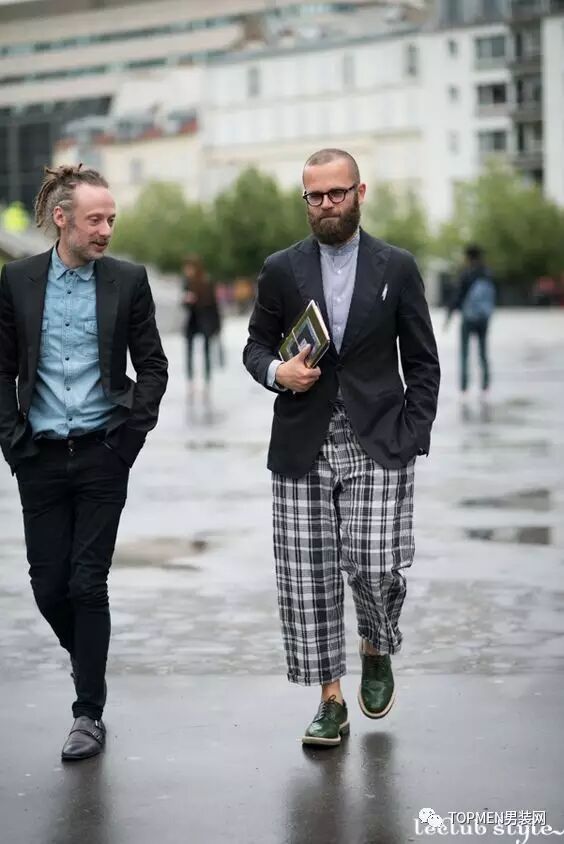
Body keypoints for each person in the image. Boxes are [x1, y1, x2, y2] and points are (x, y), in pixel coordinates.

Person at [243, 148, 440, 747]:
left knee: (375, 564)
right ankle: (330, 699)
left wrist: (414, 433)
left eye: (337, 192)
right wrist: (278, 372)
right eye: (315, 196)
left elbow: (423, 360)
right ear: (305, 199)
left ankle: (376, 645)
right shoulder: (281, 269)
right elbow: (255, 346)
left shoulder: (396, 266)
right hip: (301, 440)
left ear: (360, 192)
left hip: (379, 438)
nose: (326, 204)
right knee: (307, 575)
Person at [0, 165, 168, 761]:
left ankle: (87, 713)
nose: (105, 230)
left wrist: (128, 441)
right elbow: (2, 368)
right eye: (95, 219)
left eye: (111, 220)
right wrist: (13, 443)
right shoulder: (16, 280)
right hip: (39, 457)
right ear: (62, 219)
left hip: (103, 453)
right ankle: (89, 661)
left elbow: (153, 365)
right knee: (48, 587)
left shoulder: (128, 280)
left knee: (86, 583)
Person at [446, 244, 496, 399]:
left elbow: (458, 296)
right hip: (484, 318)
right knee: (483, 352)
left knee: (465, 353)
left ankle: (464, 388)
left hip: (468, 318)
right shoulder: (487, 273)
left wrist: (449, 316)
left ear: (468, 257)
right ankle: (485, 386)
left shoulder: (466, 274)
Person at [181, 254, 221, 396]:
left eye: (189, 267)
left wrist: (217, 326)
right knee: (189, 351)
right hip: (192, 321)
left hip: (205, 321)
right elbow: (184, 304)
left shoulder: (207, 282)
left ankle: (207, 381)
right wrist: (186, 300)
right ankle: (190, 381)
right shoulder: (186, 282)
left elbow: (214, 305)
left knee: (206, 352)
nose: (187, 270)